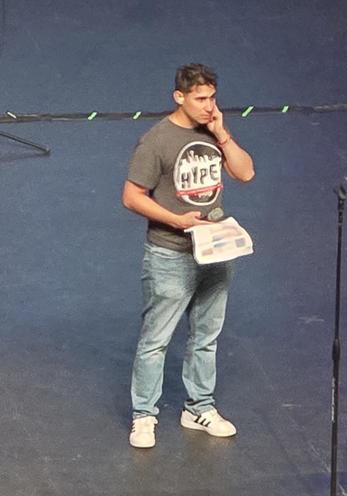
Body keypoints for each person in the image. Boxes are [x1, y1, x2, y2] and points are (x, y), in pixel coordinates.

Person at [121, 62, 256, 449]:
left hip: (214, 251)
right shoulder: (156, 141)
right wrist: (177, 221)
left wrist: (222, 133)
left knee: (206, 337)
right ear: (179, 97)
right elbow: (132, 197)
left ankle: (199, 406)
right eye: (200, 99)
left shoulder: (213, 132)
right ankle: (144, 416)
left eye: (212, 98)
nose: (208, 106)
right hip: (170, 254)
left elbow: (245, 174)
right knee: (156, 340)